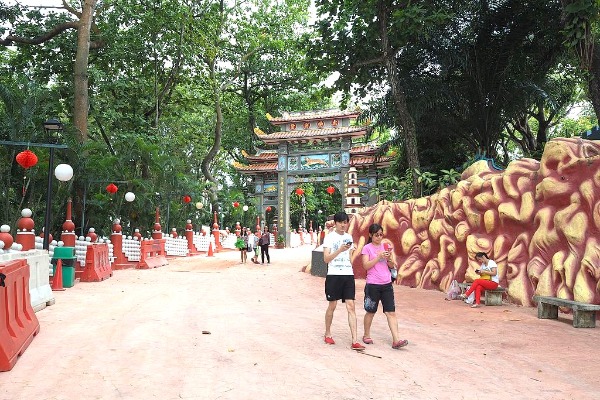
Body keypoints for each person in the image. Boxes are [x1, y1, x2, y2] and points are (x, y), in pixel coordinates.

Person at [360, 224, 409, 349]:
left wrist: (389, 260)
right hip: (373, 284)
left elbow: (392, 266)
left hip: (386, 283)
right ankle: (366, 335)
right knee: (370, 311)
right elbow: (366, 266)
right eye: (376, 235)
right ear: (371, 235)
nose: (379, 237)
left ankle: (396, 339)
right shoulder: (367, 248)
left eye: (381, 235)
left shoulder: (385, 247)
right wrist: (378, 257)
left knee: (391, 312)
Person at [322, 211, 365, 351]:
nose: (343, 225)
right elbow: (326, 259)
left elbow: (350, 257)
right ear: (335, 223)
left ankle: (355, 340)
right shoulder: (329, 238)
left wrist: (350, 257)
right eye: (340, 222)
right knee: (332, 305)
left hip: (347, 275)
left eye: (345, 222)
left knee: (351, 306)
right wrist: (340, 250)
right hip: (333, 275)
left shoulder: (349, 237)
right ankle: (327, 333)